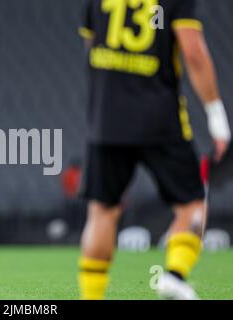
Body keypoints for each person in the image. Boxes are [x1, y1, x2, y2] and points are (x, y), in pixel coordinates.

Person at [78, 0, 231, 300]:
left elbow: (90, 50)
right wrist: (216, 115)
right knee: (193, 204)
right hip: (159, 119)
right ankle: (174, 275)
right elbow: (194, 53)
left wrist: (104, 102)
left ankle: (91, 297)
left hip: (108, 120)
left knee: (102, 212)